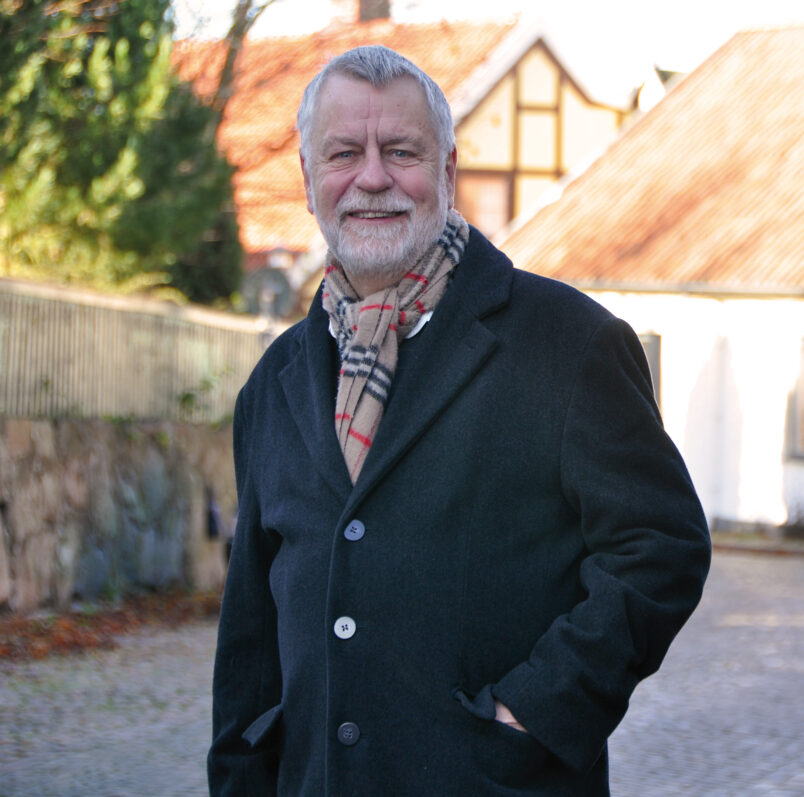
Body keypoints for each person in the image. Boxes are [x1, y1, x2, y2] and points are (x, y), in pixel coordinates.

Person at [207, 45, 711, 796]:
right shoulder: (274, 384)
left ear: (446, 171)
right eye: (343, 153)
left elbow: (661, 547)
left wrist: (534, 710)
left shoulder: (569, 344)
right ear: (309, 180)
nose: (372, 178)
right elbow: (250, 635)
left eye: (400, 151)